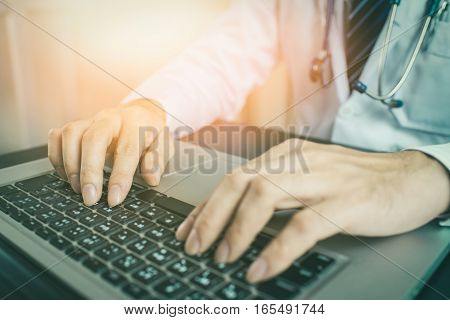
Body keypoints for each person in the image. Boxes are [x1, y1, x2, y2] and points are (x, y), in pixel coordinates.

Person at [47, 0, 449, 283]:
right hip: (291, 178)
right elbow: (230, 52)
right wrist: (152, 108)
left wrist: (434, 170)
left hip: (426, 212)